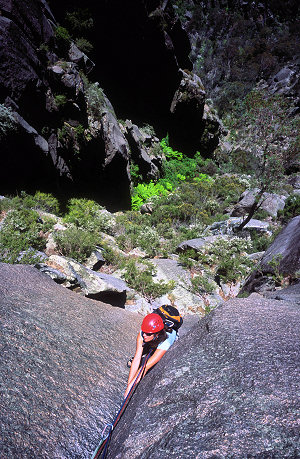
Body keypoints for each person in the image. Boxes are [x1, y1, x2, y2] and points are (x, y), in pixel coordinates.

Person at [124, 313, 177, 398]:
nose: (144, 335)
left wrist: (131, 387)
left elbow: (145, 367)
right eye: (144, 332)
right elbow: (137, 357)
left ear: (156, 334)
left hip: (164, 343)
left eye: (148, 334)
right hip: (155, 340)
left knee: (152, 362)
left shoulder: (166, 342)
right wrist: (129, 385)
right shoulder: (144, 332)